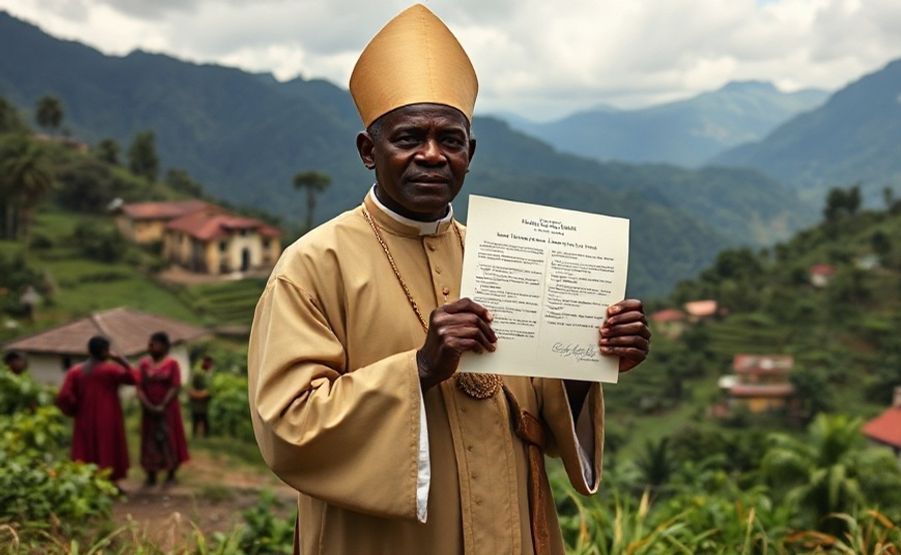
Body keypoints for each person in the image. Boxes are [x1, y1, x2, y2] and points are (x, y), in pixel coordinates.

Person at [247, 5, 651, 553]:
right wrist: (420, 368)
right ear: (369, 151)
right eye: (409, 137)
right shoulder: (315, 265)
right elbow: (288, 426)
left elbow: (539, 415)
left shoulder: (504, 254)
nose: (431, 156)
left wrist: (590, 361)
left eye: (451, 140)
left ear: (471, 153)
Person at [55, 336, 136, 485]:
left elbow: (63, 396)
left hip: (84, 417)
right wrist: (121, 360)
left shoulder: (75, 371)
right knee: (109, 447)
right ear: (106, 351)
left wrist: (74, 410)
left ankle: (88, 482)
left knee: (86, 448)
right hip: (109, 417)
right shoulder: (111, 369)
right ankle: (111, 482)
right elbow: (135, 378)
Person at [136, 331, 190, 486]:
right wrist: (148, 405)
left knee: (170, 438)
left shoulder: (172, 364)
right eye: (150, 344)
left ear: (165, 346)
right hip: (149, 411)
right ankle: (151, 474)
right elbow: (139, 387)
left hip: (168, 410)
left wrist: (162, 405)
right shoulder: (144, 364)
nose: (151, 347)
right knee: (150, 440)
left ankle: (171, 473)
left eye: (155, 344)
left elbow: (175, 386)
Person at [187, 355, 213, 438]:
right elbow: (190, 389)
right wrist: (200, 394)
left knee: (203, 418)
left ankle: (204, 435)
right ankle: (196, 435)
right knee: (196, 418)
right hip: (196, 402)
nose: (210, 366)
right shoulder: (197, 373)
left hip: (203, 402)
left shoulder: (208, 374)